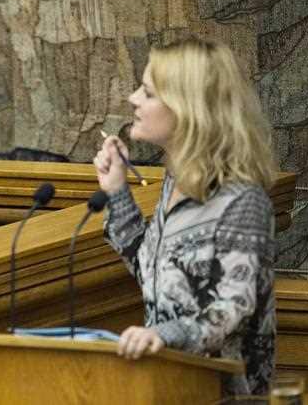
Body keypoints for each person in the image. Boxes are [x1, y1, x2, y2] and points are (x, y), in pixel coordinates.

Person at [93, 37, 276, 396]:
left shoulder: (242, 201)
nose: (133, 99)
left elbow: (233, 307)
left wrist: (161, 335)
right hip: (168, 387)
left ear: (186, 108)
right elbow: (153, 271)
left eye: (147, 92)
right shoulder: (175, 183)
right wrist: (116, 190)